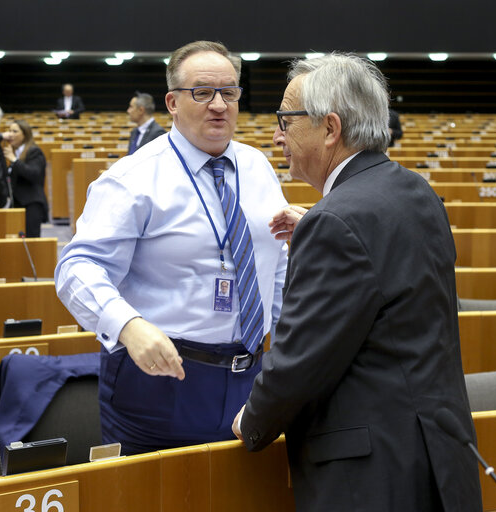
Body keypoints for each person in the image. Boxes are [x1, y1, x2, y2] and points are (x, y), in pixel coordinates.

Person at [232, 53, 482, 511]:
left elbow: (300, 363)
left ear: (330, 129)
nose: (276, 136)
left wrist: (253, 421)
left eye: (285, 120)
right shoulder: (414, 190)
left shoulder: (336, 223)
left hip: (372, 480)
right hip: (439, 459)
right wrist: (319, 227)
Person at [55, 40, 288, 455]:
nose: (219, 105)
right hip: (159, 379)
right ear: (172, 102)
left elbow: (275, 264)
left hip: (252, 374)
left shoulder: (259, 167)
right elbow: (77, 267)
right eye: (202, 92)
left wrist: (290, 342)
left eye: (229, 92)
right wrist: (128, 325)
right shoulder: (133, 178)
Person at [2, 120, 49, 237]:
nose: (10, 134)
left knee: (31, 243)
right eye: (9, 131)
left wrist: (14, 160)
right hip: (18, 205)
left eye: (15, 131)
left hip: (32, 205)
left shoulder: (34, 151)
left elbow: (34, 174)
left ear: (25, 134)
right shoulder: (16, 152)